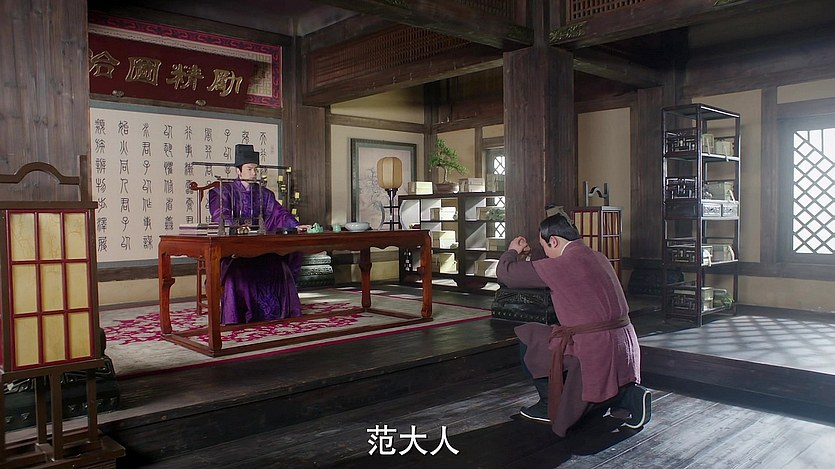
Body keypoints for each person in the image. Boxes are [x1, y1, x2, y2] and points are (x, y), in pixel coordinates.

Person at [495, 210, 651, 437]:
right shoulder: (598, 257)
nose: (546, 254)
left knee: (529, 337)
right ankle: (629, 396)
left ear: (554, 241)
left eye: (544, 247)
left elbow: (505, 274)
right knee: (551, 336)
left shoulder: (563, 263)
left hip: (594, 345)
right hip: (625, 342)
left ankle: (549, 404)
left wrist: (513, 251)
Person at [208, 144, 310, 324]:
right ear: (238, 171)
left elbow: (279, 214)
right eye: (249, 169)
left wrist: (295, 226)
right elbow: (221, 215)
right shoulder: (223, 191)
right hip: (236, 252)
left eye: (255, 169)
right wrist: (237, 229)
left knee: (279, 265)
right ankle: (240, 314)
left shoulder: (264, 194)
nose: (254, 173)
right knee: (238, 271)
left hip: (261, 248)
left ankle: (278, 313)